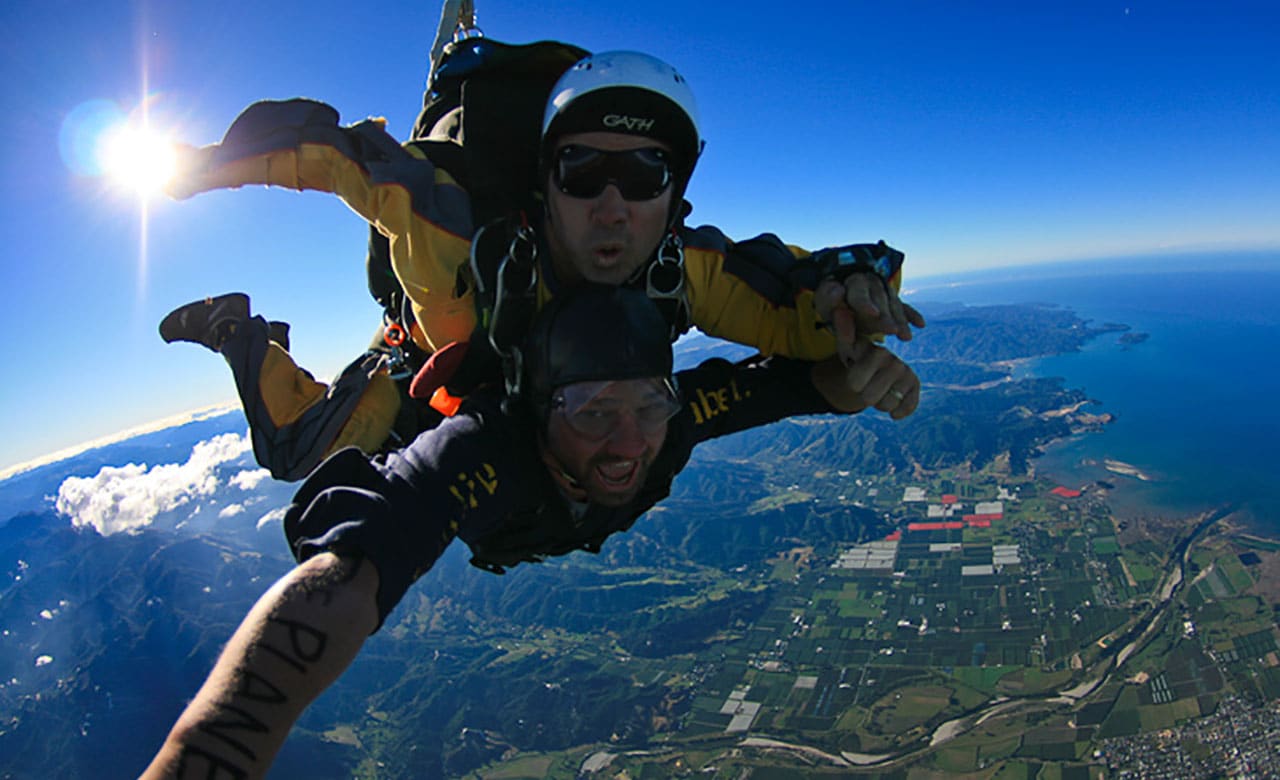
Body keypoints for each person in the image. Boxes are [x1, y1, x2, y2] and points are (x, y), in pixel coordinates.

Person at [140, 285, 919, 778]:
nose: (629, 443)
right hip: (406, 399)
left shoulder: (672, 422)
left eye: (649, 404)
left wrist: (856, 375)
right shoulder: (488, 450)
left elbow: (778, 387)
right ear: (542, 410)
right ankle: (242, 332)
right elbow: (354, 565)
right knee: (294, 451)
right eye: (593, 412)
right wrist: (203, 755)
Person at [161, 50, 925, 480]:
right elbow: (349, 159)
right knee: (298, 453)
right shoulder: (459, 235)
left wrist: (856, 293)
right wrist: (209, 163)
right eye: (584, 170)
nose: (614, 206)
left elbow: (795, 302)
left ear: (675, 196)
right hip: (427, 361)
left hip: (512, 385)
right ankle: (240, 331)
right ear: (546, 182)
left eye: (646, 175)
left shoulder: (678, 266)